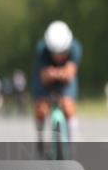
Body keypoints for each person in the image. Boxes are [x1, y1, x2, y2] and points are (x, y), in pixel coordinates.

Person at [32, 20, 83, 153]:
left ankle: (73, 144)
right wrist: (59, 73)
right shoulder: (41, 50)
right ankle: (40, 135)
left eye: (63, 53)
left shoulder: (75, 48)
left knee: (68, 106)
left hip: (65, 80)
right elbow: (44, 76)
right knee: (41, 108)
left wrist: (55, 73)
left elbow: (70, 73)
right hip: (44, 80)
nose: (59, 57)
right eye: (55, 53)